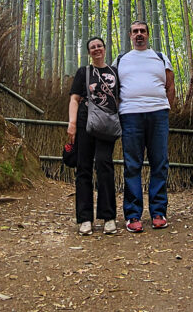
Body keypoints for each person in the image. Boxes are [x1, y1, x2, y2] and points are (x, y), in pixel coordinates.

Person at [116, 20, 175, 233]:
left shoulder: (160, 57)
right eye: (135, 31)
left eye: (142, 31)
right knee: (132, 164)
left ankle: (158, 212)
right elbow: (114, 89)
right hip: (130, 115)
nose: (139, 34)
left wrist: (166, 109)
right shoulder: (121, 59)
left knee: (159, 162)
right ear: (130, 35)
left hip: (158, 114)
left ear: (148, 34)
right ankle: (133, 214)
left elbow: (170, 85)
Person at [67, 37, 119, 236]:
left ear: (105, 49)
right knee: (84, 168)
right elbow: (74, 99)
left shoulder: (114, 72)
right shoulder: (84, 72)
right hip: (84, 123)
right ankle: (85, 218)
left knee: (105, 165)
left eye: (99, 46)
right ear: (89, 52)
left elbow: (120, 98)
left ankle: (108, 217)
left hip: (106, 124)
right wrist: (72, 124)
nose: (97, 49)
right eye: (92, 47)